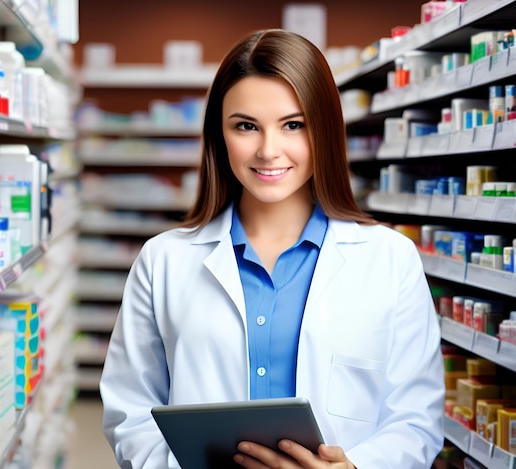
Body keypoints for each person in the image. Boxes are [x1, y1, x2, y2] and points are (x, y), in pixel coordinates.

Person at [100, 28, 445, 468]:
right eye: (246, 126)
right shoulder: (163, 260)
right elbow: (130, 413)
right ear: (219, 135)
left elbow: (416, 420)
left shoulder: (390, 259)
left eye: (293, 125)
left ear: (324, 130)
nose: (268, 150)